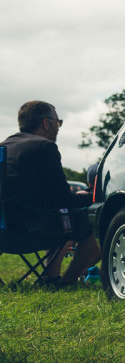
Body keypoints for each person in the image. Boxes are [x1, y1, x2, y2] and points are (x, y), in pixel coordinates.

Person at [1, 100, 101, 284]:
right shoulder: (43, 147)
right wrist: (88, 197)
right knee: (97, 222)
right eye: (58, 123)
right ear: (46, 123)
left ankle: (51, 276)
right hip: (27, 232)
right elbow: (62, 200)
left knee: (60, 217)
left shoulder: (5, 146)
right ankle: (67, 280)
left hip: (4, 232)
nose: (58, 128)